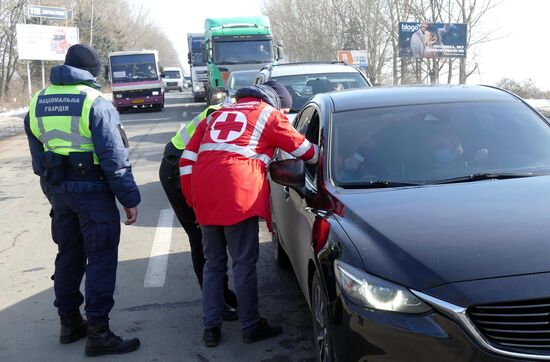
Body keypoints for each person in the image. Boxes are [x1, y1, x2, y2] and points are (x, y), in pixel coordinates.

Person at [179, 80, 318, 347]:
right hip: (237, 194)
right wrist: (327, 157)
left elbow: (187, 160)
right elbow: (303, 150)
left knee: (214, 264)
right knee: (243, 263)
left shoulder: (215, 115)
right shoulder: (268, 114)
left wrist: (193, 201)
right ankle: (250, 325)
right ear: (275, 102)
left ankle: (211, 328)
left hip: (205, 195)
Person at [24, 44, 141, 357]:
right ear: (92, 72)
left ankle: (69, 323)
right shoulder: (94, 102)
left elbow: (38, 160)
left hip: (59, 190)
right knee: (101, 257)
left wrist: (54, 190)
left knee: (69, 254)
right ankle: (99, 333)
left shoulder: (38, 100)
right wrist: (129, 198)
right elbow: (114, 158)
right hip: (92, 192)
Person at [159, 103, 239, 320]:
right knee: (202, 238)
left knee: (213, 237)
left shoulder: (232, 111)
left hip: (189, 168)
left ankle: (221, 293)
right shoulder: (220, 114)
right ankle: (215, 302)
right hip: (178, 169)